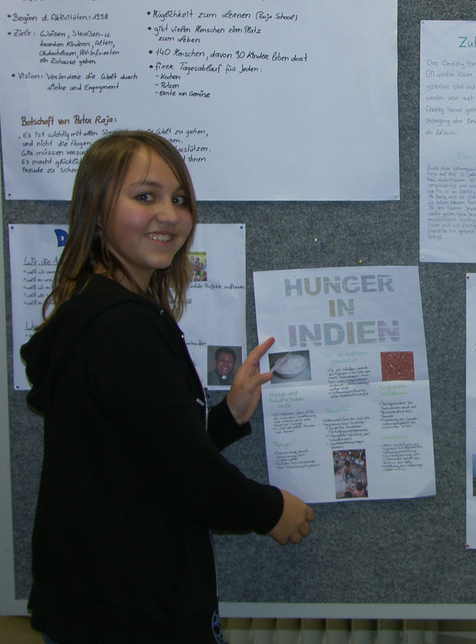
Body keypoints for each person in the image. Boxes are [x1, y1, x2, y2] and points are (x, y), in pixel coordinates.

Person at [21, 130, 315, 644]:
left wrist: (226, 418)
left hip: (98, 601)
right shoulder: (123, 328)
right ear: (96, 211)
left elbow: (145, 454)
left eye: (179, 199)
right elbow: (192, 481)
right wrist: (272, 511)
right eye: (145, 196)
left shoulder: (97, 314)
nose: (170, 215)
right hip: (129, 614)